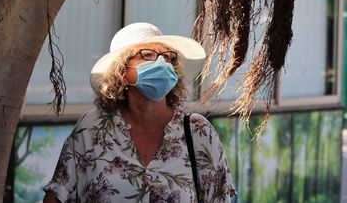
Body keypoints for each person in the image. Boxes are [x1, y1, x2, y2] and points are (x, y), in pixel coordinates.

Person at [43, 22, 236, 203]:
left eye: (168, 57)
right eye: (147, 55)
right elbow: (57, 195)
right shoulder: (91, 129)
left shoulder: (197, 131)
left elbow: (219, 196)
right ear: (121, 72)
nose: (162, 62)